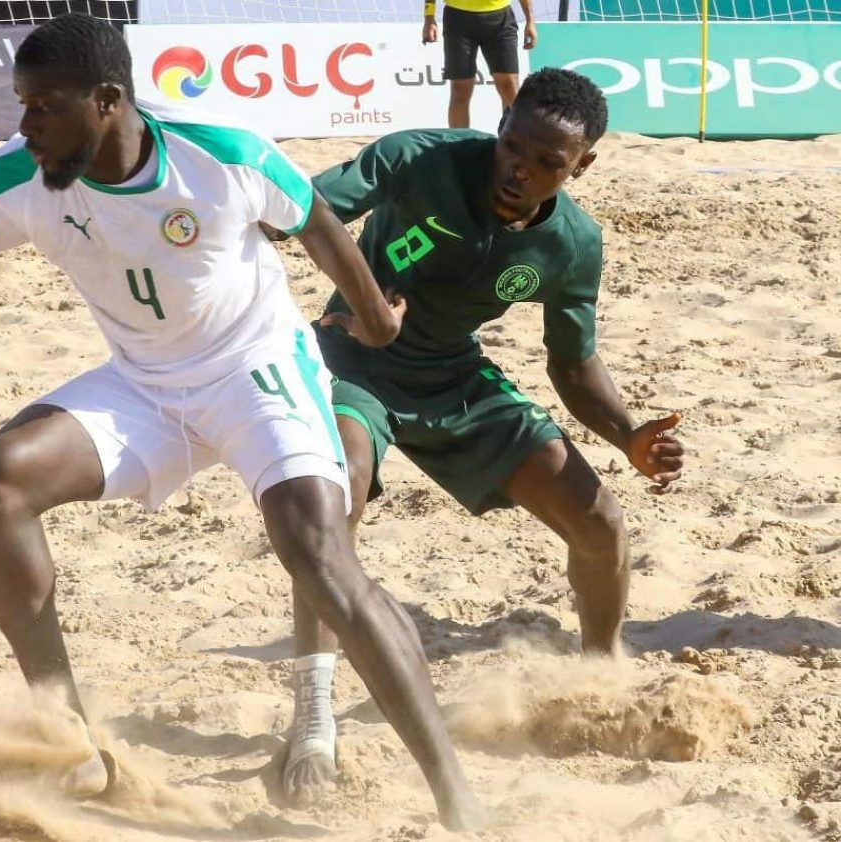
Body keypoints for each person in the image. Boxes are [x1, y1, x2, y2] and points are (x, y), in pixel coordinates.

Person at [0, 13, 484, 831]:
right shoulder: (15, 179)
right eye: (21, 104)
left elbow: (315, 223)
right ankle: (68, 733)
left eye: (44, 106)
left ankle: (455, 797)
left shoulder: (225, 155)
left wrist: (375, 320)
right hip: (145, 387)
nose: (25, 124)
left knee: (316, 549)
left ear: (108, 100)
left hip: (255, 368)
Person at [277, 68, 685, 801]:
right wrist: (369, 306)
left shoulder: (573, 244)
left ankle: (597, 674)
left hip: (457, 379)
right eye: (511, 145)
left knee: (600, 523)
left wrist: (626, 433)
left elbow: (572, 361)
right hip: (353, 360)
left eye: (546, 162)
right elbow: (302, 209)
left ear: (581, 165)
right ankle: (312, 719)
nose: (518, 169)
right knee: (334, 506)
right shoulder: (420, 158)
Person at [422, 0, 538, 129]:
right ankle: (459, 144)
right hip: (457, 19)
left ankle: (514, 144)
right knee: (460, 89)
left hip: (500, 19)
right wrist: (429, 17)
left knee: (509, 88)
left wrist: (530, 20)